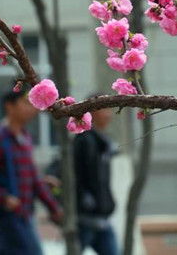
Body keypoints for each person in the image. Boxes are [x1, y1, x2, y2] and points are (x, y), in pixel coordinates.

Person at [0, 90, 62, 255]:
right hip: (6, 214)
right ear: (9, 106)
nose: (32, 108)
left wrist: (53, 207)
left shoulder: (25, 138)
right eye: (26, 103)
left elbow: (33, 178)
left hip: (25, 213)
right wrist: (4, 198)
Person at [74, 106, 119, 255]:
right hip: (85, 217)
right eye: (104, 109)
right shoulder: (84, 140)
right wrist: (84, 198)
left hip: (101, 216)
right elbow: (77, 175)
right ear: (92, 113)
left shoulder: (103, 142)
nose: (109, 115)